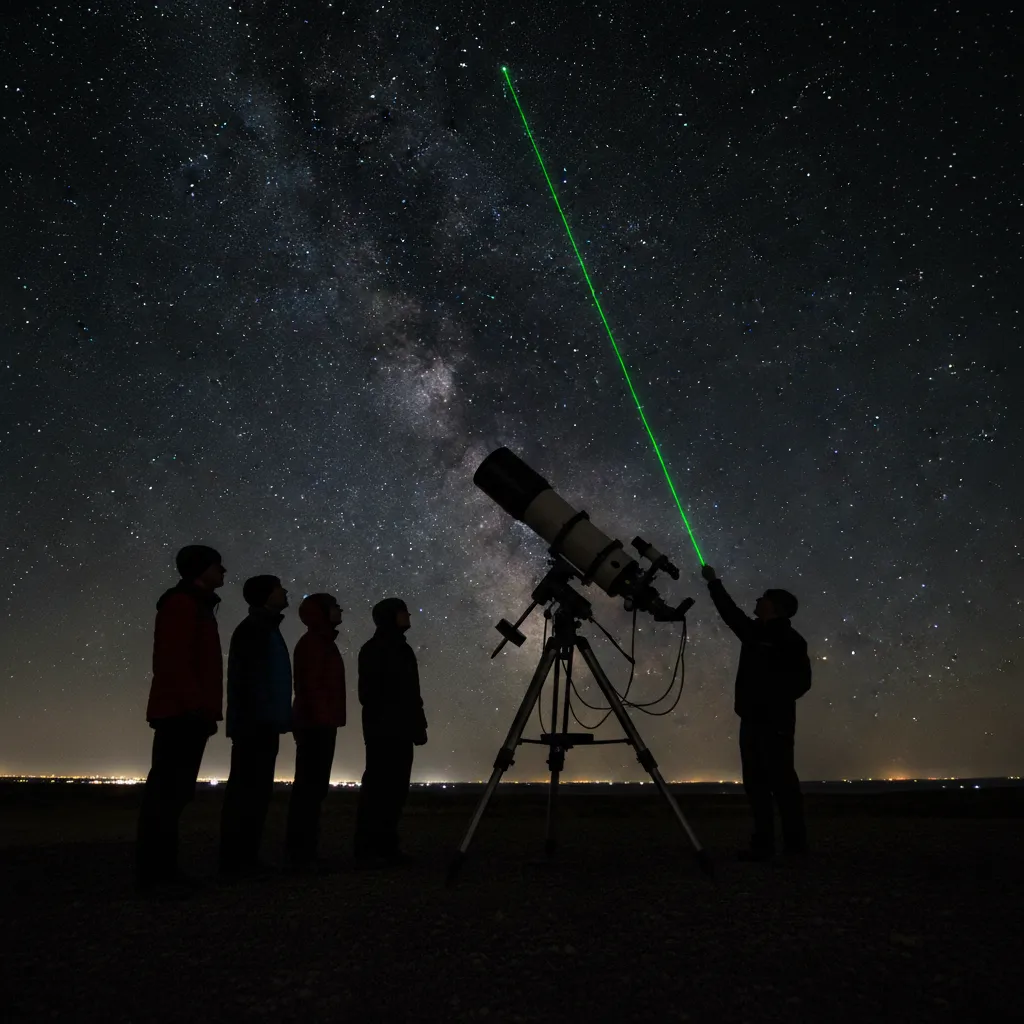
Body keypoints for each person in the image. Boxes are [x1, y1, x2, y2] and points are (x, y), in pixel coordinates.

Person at [701, 565, 812, 861]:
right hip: (752, 721)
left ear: (775, 608)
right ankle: (764, 845)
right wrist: (714, 584)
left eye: (762, 599)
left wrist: (770, 701)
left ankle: (794, 848)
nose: (756, 601)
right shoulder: (756, 633)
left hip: (773, 723)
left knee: (782, 784)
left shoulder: (790, 641)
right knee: (756, 785)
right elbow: (731, 614)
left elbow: (801, 683)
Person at [136, 544, 226, 895]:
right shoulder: (182, 604)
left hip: (187, 712)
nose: (224, 571)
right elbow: (173, 661)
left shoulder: (196, 606)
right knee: (166, 795)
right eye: (218, 565)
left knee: (174, 795)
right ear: (200, 569)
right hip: (180, 715)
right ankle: (155, 876)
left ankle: (163, 872)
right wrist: (195, 708)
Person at [219, 574, 292, 876]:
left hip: (264, 722)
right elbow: (248, 680)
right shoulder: (255, 630)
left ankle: (245, 858)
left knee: (256, 793)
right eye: (279, 587)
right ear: (266, 595)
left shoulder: (267, 629)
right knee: (247, 793)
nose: (285, 590)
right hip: (255, 724)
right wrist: (261, 717)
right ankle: (236, 862)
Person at [353, 598, 427, 866]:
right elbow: (371, 694)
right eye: (402, 611)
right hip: (385, 730)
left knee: (395, 791)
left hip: (397, 728)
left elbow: (411, 692)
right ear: (390, 617)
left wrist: (416, 723)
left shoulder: (398, 649)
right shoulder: (377, 650)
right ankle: (369, 848)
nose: (408, 614)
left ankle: (385, 845)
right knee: (380, 789)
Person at [286, 593, 346, 868]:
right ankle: (301, 855)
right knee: (309, 790)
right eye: (334, 606)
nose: (340, 609)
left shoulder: (321, 643)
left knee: (313, 789)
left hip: (320, 723)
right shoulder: (314, 644)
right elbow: (311, 687)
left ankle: (304, 852)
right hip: (316, 725)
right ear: (322, 613)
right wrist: (323, 720)